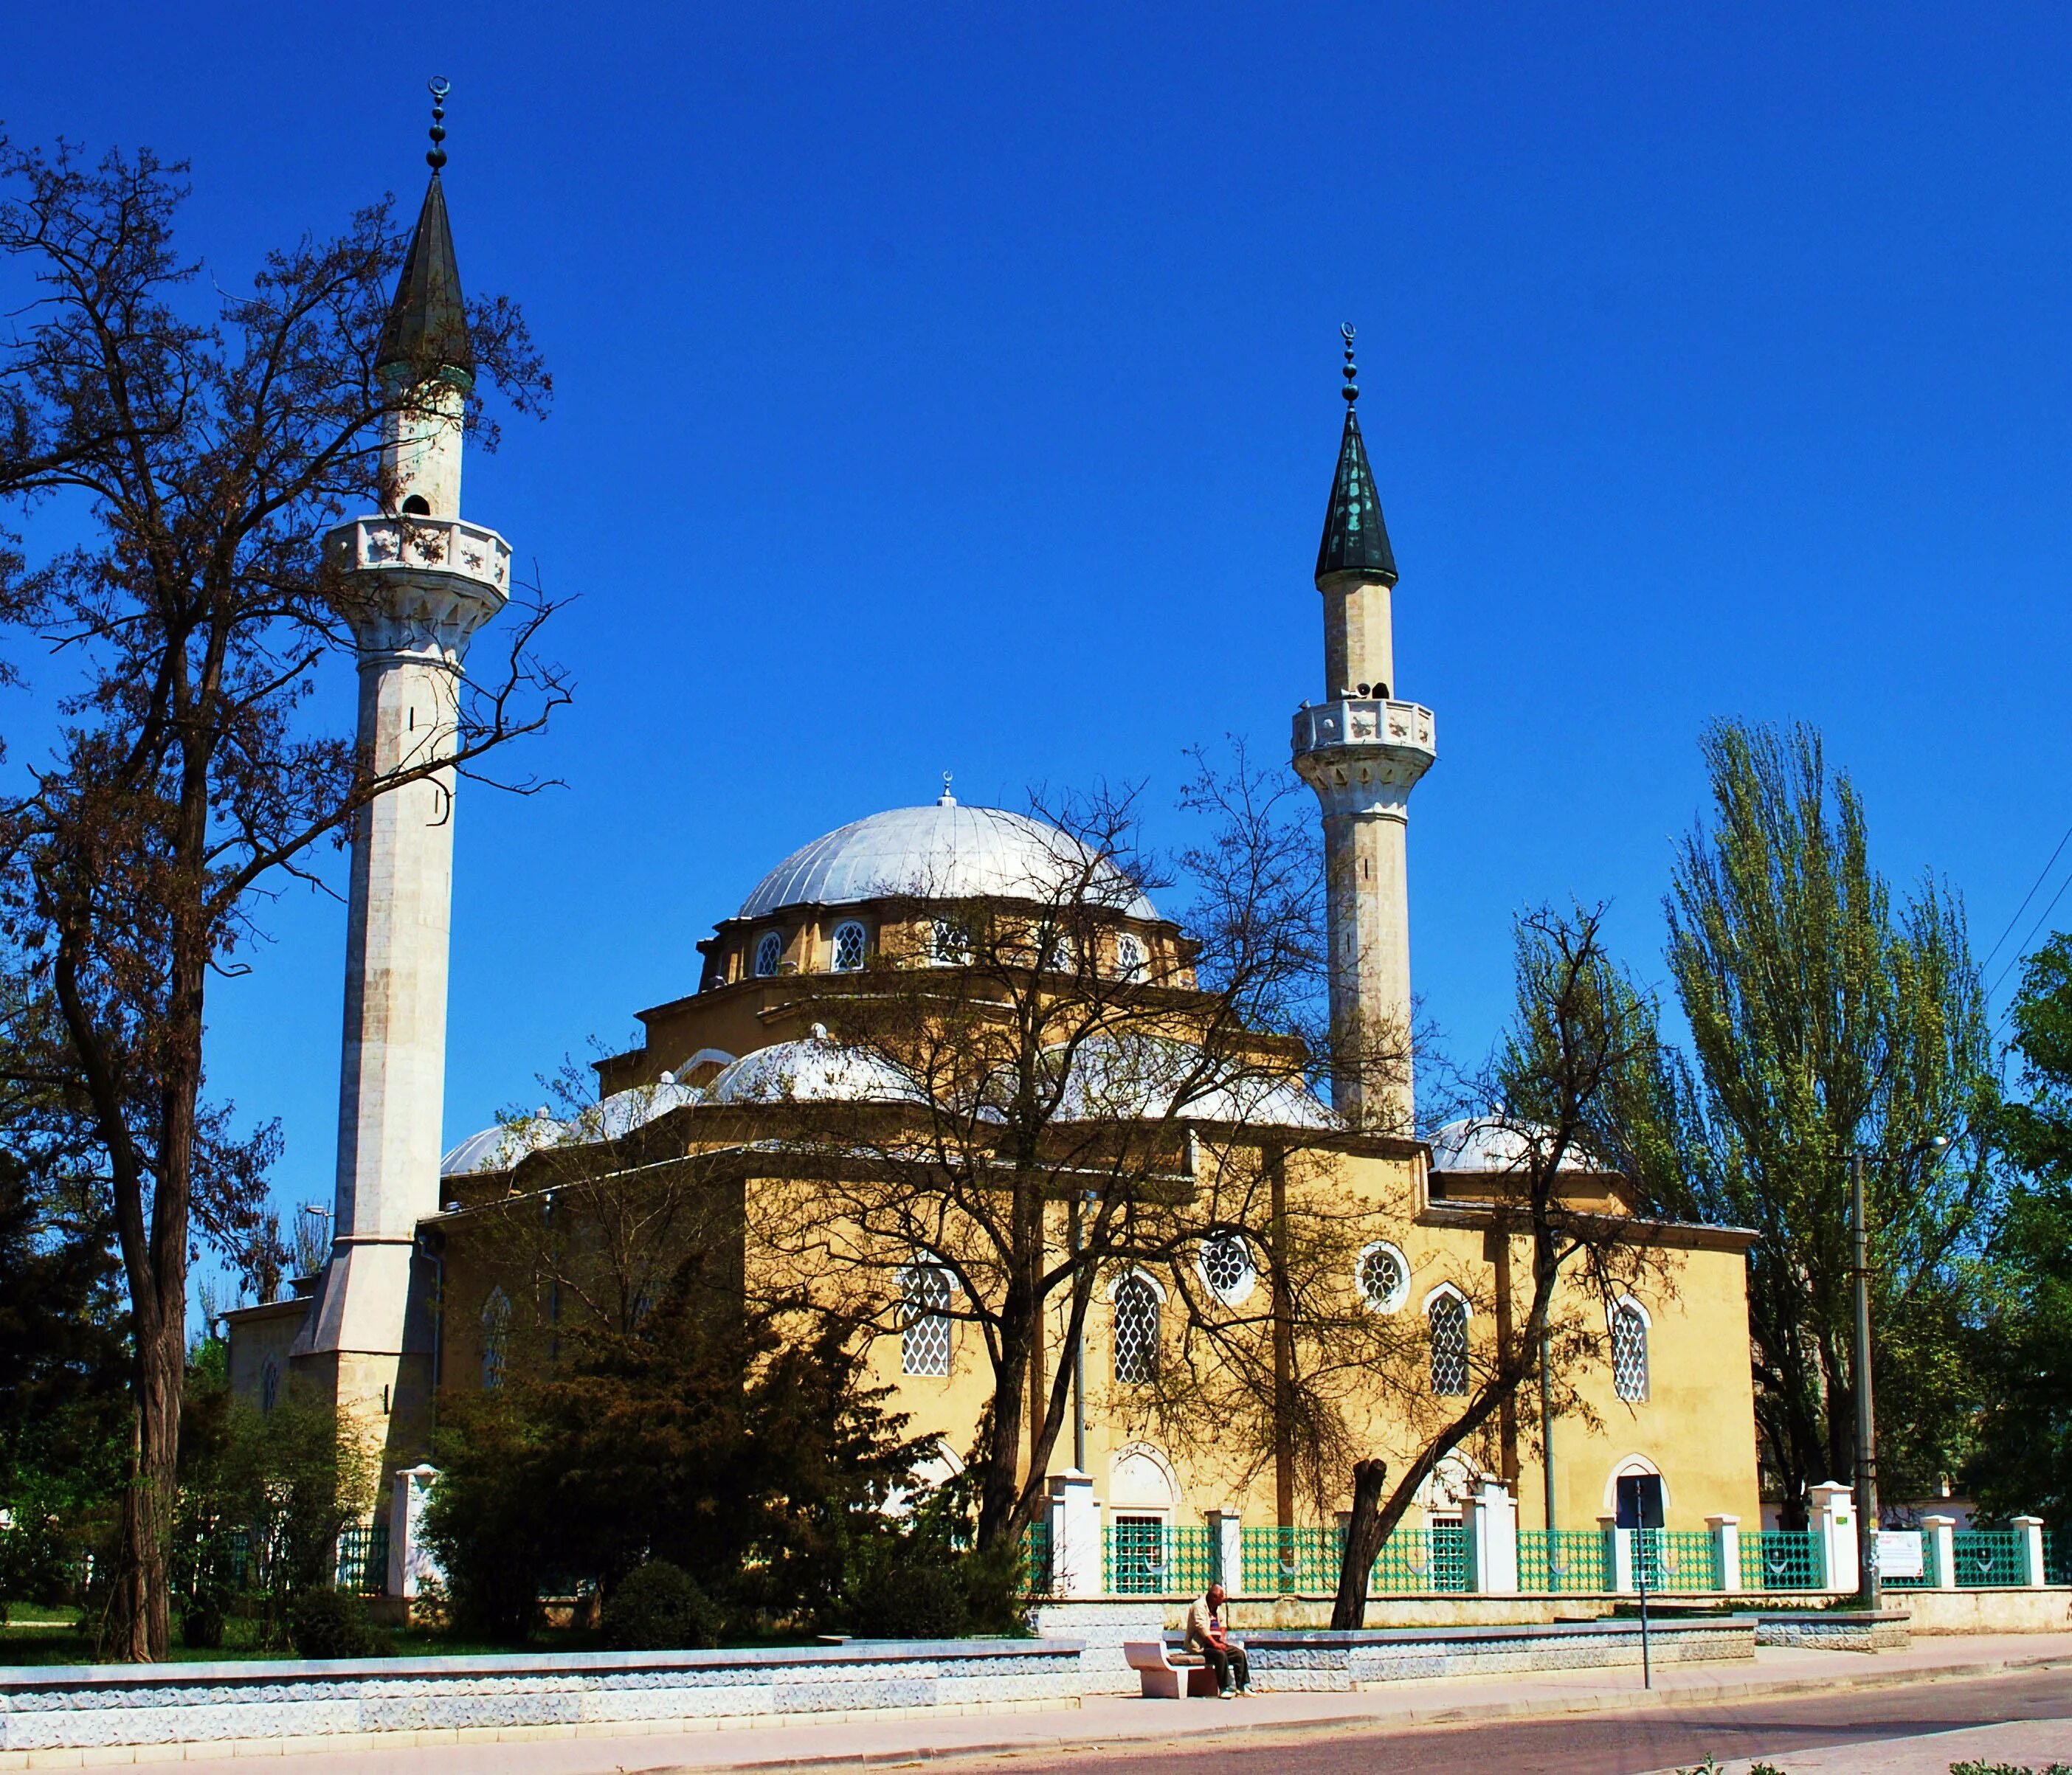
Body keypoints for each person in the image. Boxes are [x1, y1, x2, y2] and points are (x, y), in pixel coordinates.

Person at [1184, 1582, 1249, 1697]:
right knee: (1220, 1655)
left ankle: (1242, 1687)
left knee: (1239, 1653)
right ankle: (1224, 1688)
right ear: (1214, 1597)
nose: (1223, 1600)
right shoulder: (1199, 1606)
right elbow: (1202, 1628)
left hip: (1216, 1643)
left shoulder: (1216, 1608)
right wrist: (1215, 1644)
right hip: (1202, 1646)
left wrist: (1222, 1638)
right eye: (1221, 1598)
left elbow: (1223, 1622)